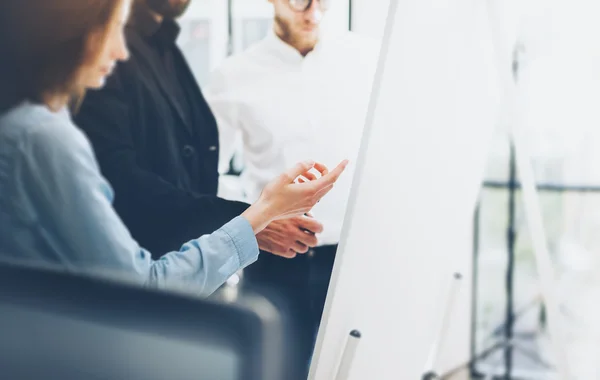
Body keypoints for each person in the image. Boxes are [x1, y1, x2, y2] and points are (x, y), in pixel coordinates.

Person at [0, 0, 347, 297]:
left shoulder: (34, 129)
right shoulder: (41, 137)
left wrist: (258, 215)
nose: (121, 51)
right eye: (114, 30)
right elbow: (139, 283)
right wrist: (259, 215)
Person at [73, 0, 322, 262]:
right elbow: (119, 183)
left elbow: (192, 168)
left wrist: (251, 221)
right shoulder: (105, 53)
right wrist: (248, 222)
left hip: (185, 268)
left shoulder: (166, 45)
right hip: (136, 279)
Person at [204, 0, 379, 364]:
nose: (313, 13)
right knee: (277, 369)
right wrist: (254, 216)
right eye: (299, 1)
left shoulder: (367, 60)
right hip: (273, 262)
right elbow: (206, 176)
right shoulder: (233, 76)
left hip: (354, 260)